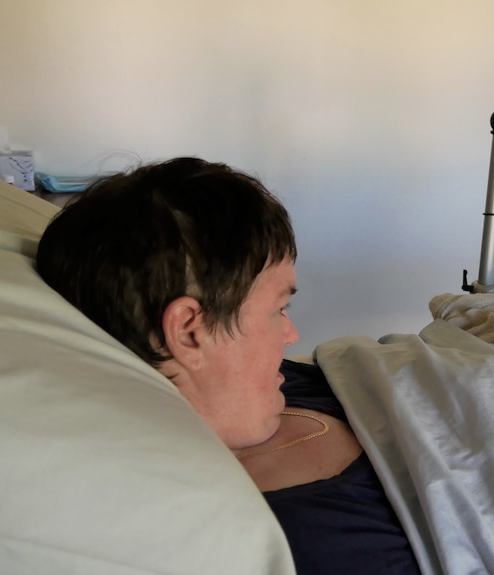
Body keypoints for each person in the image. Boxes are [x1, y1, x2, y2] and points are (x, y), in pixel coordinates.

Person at [36, 157, 421, 574]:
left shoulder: (281, 382)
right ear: (188, 332)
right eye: (279, 308)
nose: (291, 335)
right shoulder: (297, 541)